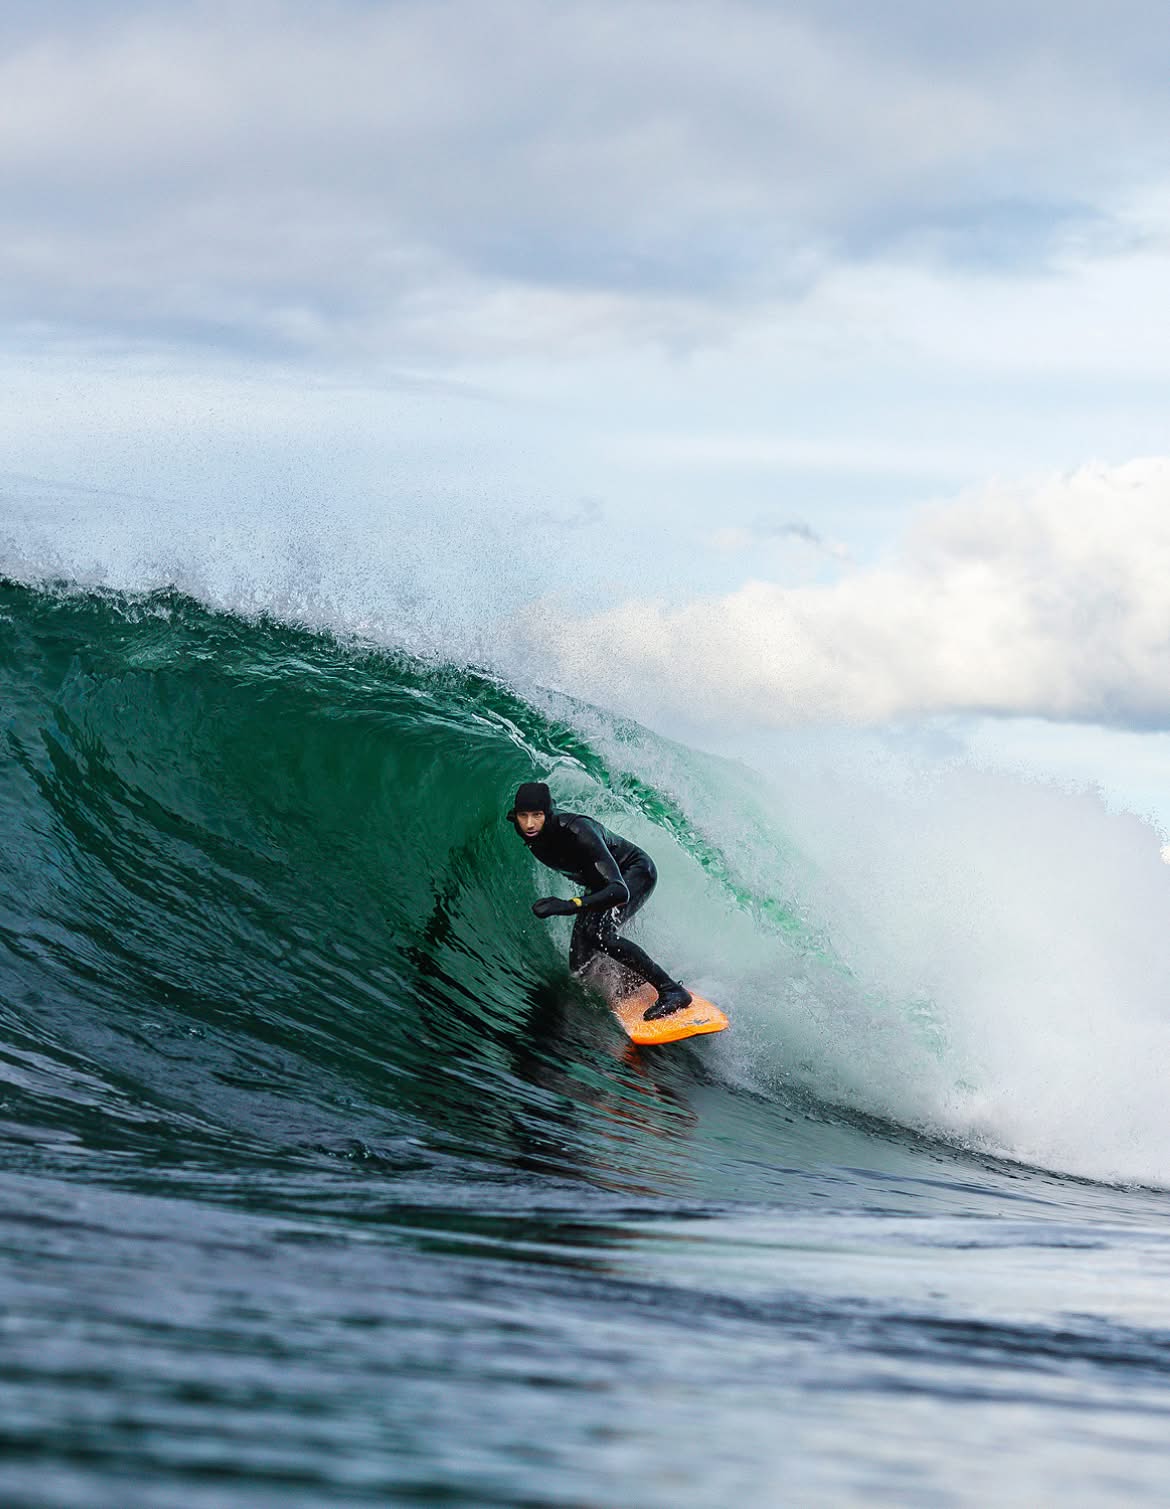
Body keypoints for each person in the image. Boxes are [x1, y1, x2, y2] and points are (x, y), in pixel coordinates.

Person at [507, 781, 692, 1020]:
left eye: (537, 815)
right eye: (524, 816)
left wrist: (569, 905)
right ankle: (634, 980)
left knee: (598, 933)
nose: (530, 823)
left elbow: (619, 891)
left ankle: (672, 991)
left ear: (548, 813)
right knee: (580, 965)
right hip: (599, 884)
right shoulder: (523, 826)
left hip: (633, 873)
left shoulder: (578, 831)